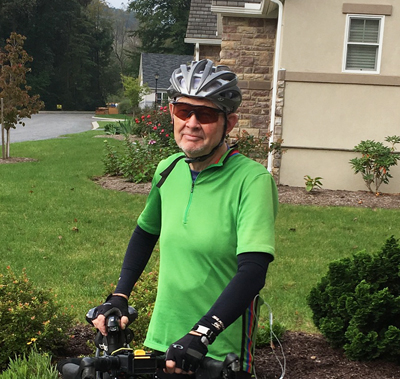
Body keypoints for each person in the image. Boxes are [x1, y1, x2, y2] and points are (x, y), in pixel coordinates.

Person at [92, 59, 278, 379]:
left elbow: (253, 271)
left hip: (216, 355)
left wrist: (202, 333)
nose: (191, 123)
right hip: (160, 343)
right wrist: (120, 295)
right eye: (183, 111)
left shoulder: (253, 181)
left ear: (228, 123)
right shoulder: (168, 169)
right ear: (171, 114)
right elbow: (146, 233)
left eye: (205, 114)